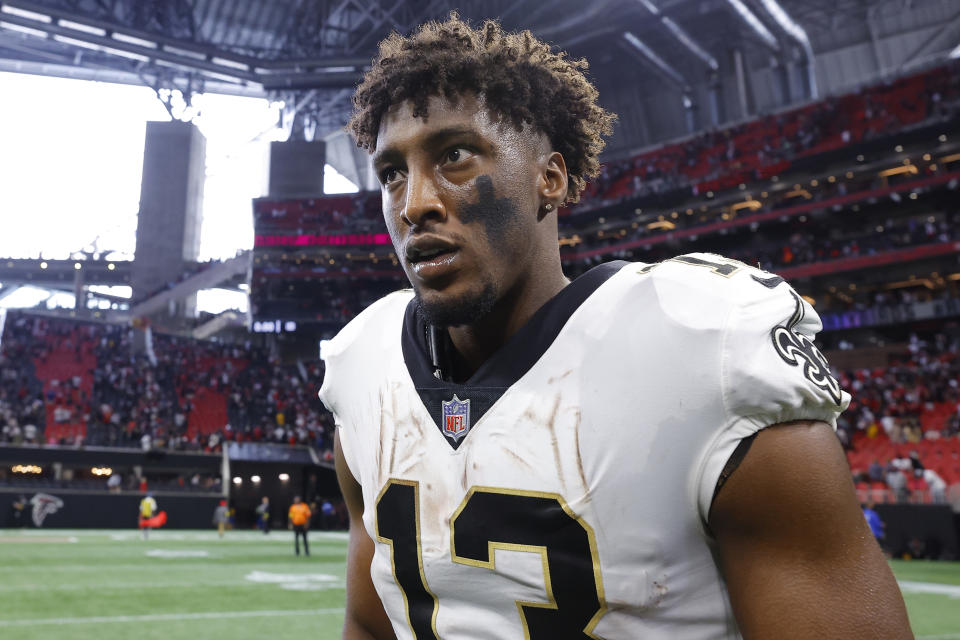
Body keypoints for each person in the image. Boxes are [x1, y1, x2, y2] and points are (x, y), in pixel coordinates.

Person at [321, 14, 912, 639]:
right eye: (391, 172)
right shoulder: (365, 366)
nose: (414, 203)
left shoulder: (699, 354)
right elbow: (369, 622)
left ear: (550, 178)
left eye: (455, 156)